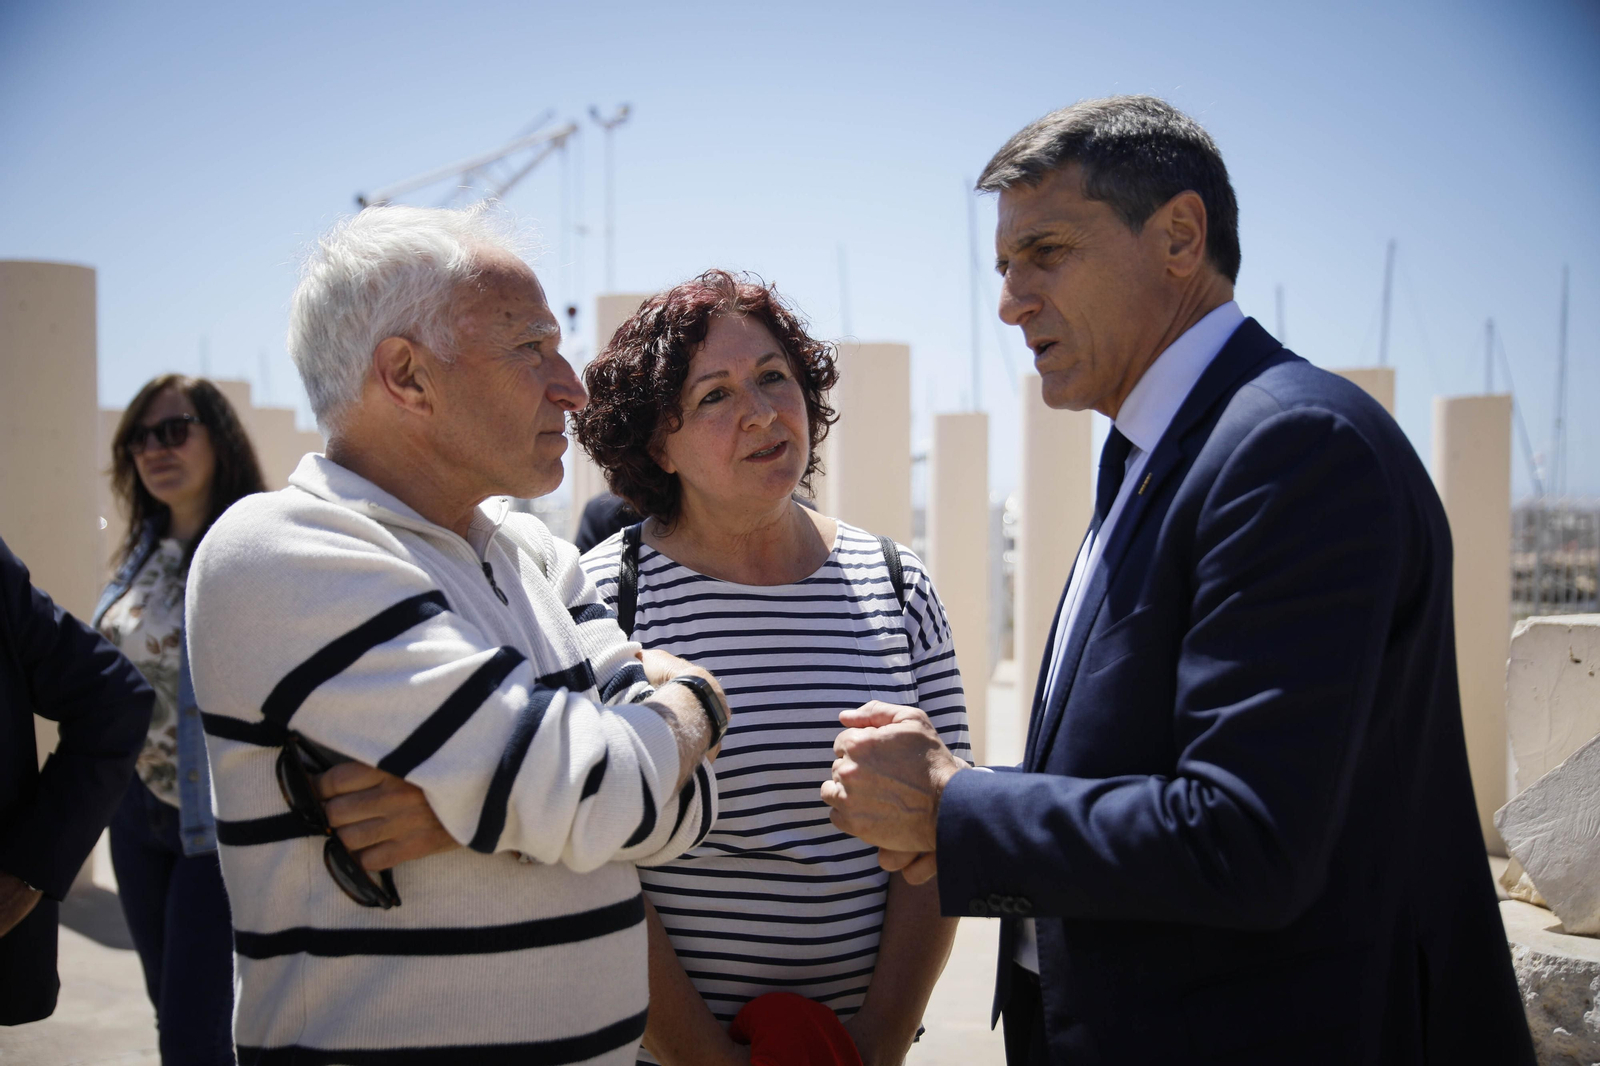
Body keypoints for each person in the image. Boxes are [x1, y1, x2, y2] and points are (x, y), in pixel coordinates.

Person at [821, 96, 1535, 1065]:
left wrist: (956, 805)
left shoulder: (1290, 448)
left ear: (1179, 236)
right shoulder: (1158, 450)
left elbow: (1244, 838)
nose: (1008, 299)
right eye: (1002, 264)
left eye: (1047, 250)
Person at [185, 203, 728, 1065]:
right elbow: (598, 793)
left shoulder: (536, 557)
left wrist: (477, 811)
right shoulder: (280, 549)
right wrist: (695, 703)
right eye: (530, 347)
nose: (571, 386)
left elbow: (689, 811)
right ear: (406, 375)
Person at [573, 270, 969, 1066]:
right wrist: (705, 1058)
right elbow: (595, 857)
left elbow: (943, 833)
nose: (760, 412)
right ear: (660, 442)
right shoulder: (602, 596)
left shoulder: (897, 583)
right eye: (715, 395)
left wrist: (879, 1041)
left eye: (773, 377)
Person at [91, 373, 266, 1062]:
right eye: (139, 438)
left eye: (173, 430)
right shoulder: (140, 551)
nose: (154, 449)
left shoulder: (252, 549)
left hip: (213, 823)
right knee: (170, 1004)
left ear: (217, 437)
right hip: (134, 815)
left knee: (196, 1030)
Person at [0, 536, 152, 1025]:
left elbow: (112, 697)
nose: (154, 454)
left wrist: (29, 870)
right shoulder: (141, 555)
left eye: (169, 447)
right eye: (140, 448)